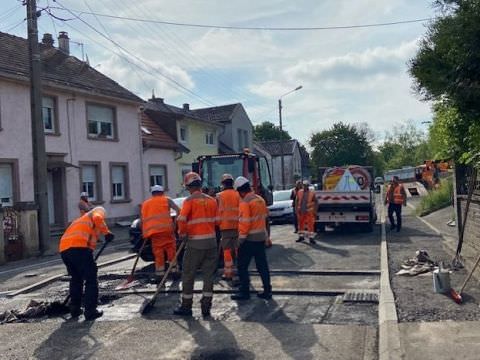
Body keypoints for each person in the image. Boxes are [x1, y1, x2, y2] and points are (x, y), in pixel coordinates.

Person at [174, 172, 218, 317]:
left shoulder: (189, 201)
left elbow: (181, 219)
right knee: (208, 276)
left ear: (188, 186)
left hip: (194, 244)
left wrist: (182, 233)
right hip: (211, 243)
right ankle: (206, 306)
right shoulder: (212, 201)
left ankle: (186, 307)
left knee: (188, 275)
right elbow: (216, 221)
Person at [59, 206, 114, 320]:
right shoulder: (96, 214)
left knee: (76, 279)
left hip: (64, 250)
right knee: (91, 279)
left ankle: (75, 309)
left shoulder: (79, 220)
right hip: (79, 248)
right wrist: (107, 233)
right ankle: (90, 311)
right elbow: (98, 218)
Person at [231, 176, 272, 301]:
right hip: (260, 238)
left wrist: (240, 241)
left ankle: (245, 292)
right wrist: (266, 237)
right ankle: (267, 290)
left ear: (240, 191)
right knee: (262, 266)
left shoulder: (245, 202)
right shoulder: (260, 199)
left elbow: (245, 223)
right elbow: (265, 218)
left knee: (242, 266)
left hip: (249, 240)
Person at [141, 185, 180, 280]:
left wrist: (145, 234)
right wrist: (175, 224)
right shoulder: (166, 200)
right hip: (167, 232)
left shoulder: (145, 204)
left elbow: (143, 220)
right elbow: (178, 210)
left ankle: (159, 274)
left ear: (152, 193)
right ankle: (174, 272)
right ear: (162, 192)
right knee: (171, 252)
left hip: (154, 234)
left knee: (158, 254)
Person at [216, 174, 240, 282]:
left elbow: (216, 211)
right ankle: (240, 271)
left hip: (225, 227)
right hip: (238, 226)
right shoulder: (238, 194)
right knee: (238, 249)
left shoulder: (219, 196)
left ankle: (228, 273)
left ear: (223, 184)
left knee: (226, 251)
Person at [295, 180, 318, 244]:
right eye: (304, 185)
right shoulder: (299, 192)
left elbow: (316, 201)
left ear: (308, 186)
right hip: (301, 211)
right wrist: (296, 209)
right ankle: (301, 237)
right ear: (302, 186)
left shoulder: (311, 192)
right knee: (300, 225)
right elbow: (296, 200)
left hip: (309, 212)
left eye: (306, 185)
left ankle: (311, 238)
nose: (305, 186)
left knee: (310, 226)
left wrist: (315, 210)